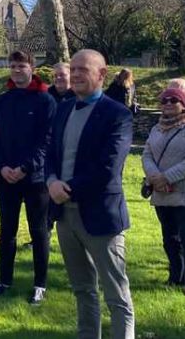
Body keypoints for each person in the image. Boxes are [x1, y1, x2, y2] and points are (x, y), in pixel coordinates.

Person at [46, 49, 135, 339]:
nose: (76, 74)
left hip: (100, 215)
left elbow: (107, 167)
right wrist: (50, 181)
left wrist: (65, 188)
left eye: (83, 69)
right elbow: (51, 153)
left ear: (102, 74)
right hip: (65, 215)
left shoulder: (117, 114)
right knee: (83, 289)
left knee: (116, 294)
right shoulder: (63, 108)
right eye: (73, 69)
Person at [0, 51, 56, 304]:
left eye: (21, 66)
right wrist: (0, 167)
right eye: (12, 66)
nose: (16, 70)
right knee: (8, 231)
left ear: (31, 68)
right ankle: (4, 281)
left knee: (39, 231)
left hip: (35, 178)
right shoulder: (3, 101)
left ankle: (40, 285)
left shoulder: (45, 101)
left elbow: (47, 142)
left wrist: (25, 168)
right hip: (5, 177)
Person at [142, 87, 185, 296]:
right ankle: (176, 278)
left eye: (174, 100)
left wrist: (166, 177)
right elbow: (146, 155)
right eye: (164, 100)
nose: (168, 104)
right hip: (162, 193)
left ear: (184, 104)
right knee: (170, 239)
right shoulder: (156, 129)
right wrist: (155, 177)